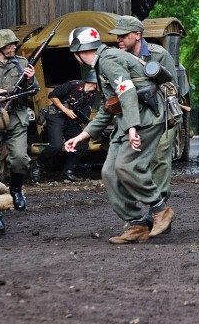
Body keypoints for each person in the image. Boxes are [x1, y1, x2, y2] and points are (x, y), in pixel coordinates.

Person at [63, 27, 170, 244]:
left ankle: (161, 210)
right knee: (110, 172)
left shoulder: (108, 60)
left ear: (78, 52)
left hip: (146, 118)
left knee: (126, 166)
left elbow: (127, 91)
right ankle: (136, 225)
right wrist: (83, 136)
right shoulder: (104, 61)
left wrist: (131, 128)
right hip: (129, 119)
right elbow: (109, 106)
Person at [113, 14, 178, 235]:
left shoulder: (159, 55)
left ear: (137, 35)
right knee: (130, 164)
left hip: (161, 116)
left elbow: (172, 88)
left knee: (159, 159)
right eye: (117, 36)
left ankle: (157, 212)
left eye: (123, 36)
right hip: (133, 118)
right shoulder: (118, 58)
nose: (118, 40)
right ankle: (137, 217)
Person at [0, 28, 38, 211]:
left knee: (20, 159)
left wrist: (30, 80)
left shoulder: (22, 63)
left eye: (14, 43)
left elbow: (35, 89)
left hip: (16, 117)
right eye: (9, 44)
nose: (13, 47)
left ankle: (16, 190)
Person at [31, 70, 99, 183]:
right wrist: (65, 109)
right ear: (95, 82)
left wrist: (87, 128)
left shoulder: (91, 97)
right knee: (56, 146)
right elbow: (52, 95)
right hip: (56, 117)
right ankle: (37, 165)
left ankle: (68, 172)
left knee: (82, 145)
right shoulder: (73, 85)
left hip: (71, 121)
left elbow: (84, 115)